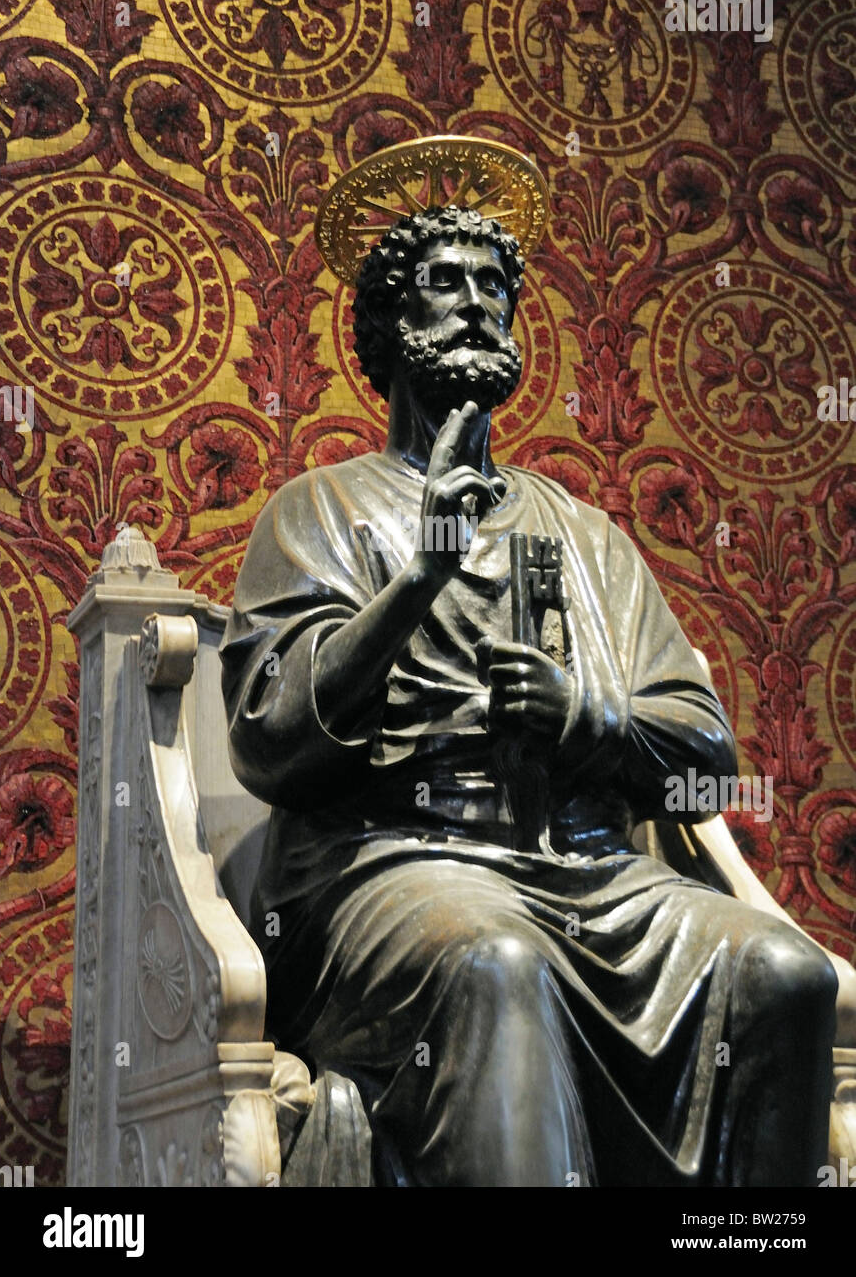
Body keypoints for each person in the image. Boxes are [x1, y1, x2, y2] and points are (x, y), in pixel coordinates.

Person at [220, 203, 837, 1187]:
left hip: (591, 871)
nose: (474, 302)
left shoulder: (587, 536)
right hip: (394, 863)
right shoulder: (320, 510)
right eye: (442, 281)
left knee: (783, 973)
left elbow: (701, 760)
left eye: (492, 285)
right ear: (386, 327)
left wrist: (584, 720)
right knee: (492, 958)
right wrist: (417, 577)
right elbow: (269, 743)